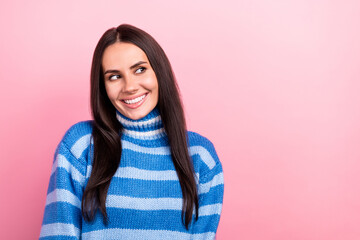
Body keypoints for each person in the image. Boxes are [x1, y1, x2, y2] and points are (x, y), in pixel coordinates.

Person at [39, 24, 224, 240]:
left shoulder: (201, 157)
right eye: (114, 76)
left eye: (140, 70)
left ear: (159, 73)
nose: (130, 86)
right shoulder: (81, 146)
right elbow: (57, 235)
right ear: (103, 87)